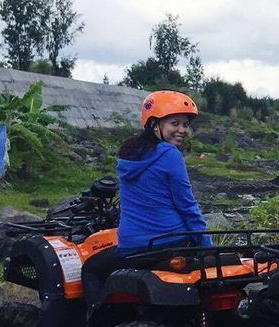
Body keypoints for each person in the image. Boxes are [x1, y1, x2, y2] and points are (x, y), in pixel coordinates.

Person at [81, 90, 210, 305]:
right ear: (154, 124)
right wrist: (205, 246)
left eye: (185, 124)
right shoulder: (170, 155)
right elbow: (187, 207)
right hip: (170, 241)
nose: (182, 130)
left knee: (91, 269)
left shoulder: (128, 156)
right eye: (174, 123)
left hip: (134, 245)